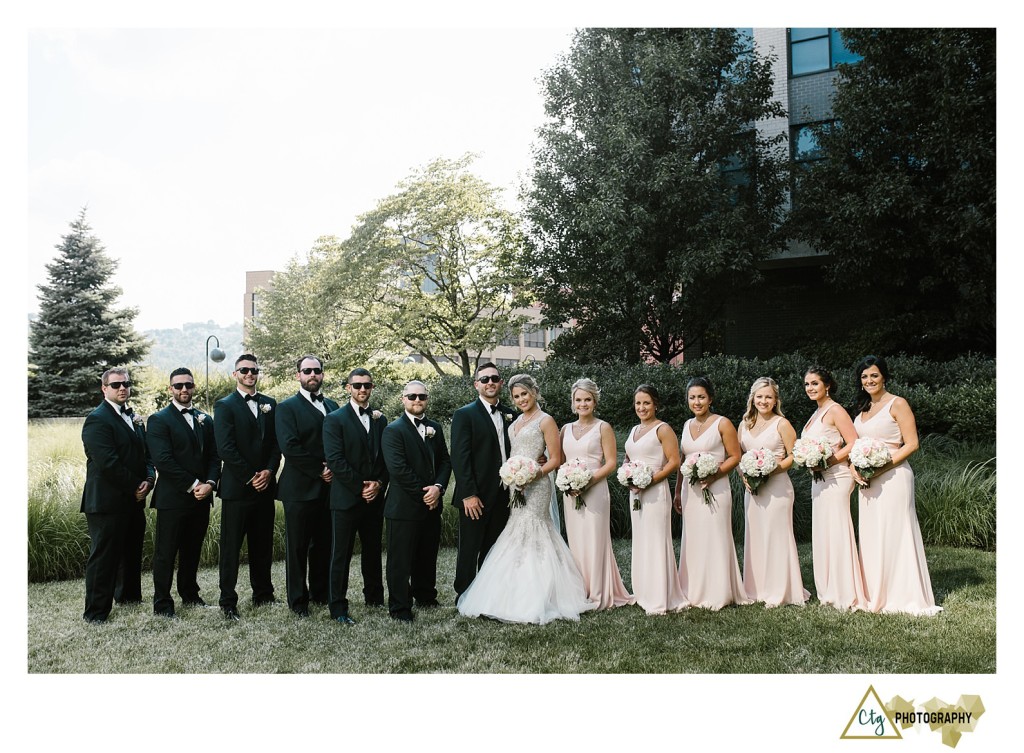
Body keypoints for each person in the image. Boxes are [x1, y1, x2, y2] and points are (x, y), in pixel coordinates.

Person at [458, 374, 595, 623]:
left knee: (536, 530)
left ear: (535, 392)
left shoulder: (546, 421)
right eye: (516, 396)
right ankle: (509, 593)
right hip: (515, 485)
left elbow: (554, 458)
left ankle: (543, 593)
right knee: (515, 531)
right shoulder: (513, 423)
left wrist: (533, 474)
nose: (521, 399)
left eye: (525, 394)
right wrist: (515, 476)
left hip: (538, 485)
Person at [850, 355, 941, 616]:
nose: (869, 380)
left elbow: (911, 444)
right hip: (868, 479)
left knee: (896, 532)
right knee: (872, 534)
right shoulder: (862, 409)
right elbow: (856, 445)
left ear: (884, 377)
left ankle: (904, 595)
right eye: (865, 376)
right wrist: (856, 468)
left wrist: (881, 467)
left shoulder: (898, 404)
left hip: (893, 476)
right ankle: (876, 593)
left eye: (874, 375)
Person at [80, 368, 154, 623]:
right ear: (104, 389)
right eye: (116, 385)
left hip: (134, 498)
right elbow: (107, 462)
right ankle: (96, 612)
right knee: (104, 556)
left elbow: (147, 455)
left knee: (132, 549)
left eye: (126, 384)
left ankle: (129, 596)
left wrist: (149, 480)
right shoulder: (97, 419)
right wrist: (136, 484)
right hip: (106, 501)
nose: (122, 388)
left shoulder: (134, 418)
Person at [147, 368, 221, 617]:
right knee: (166, 552)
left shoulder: (204, 419)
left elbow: (214, 456)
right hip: (173, 498)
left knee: (192, 550)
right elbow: (163, 460)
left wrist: (210, 483)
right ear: (171, 389)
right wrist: (194, 485)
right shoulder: (158, 420)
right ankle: (162, 603)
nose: (184, 390)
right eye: (178, 386)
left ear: (194, 387)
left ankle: (190, 594)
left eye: (188, 385)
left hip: (202, 497)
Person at [214, 354, 280, 621]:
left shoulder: (270, 404)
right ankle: (228, 601)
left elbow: (277, 444)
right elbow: (225, 448)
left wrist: (269, 471)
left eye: (253, 370)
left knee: (262, 544)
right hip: (237, 488)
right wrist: (251, 475)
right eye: (244, 370)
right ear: (235, 374)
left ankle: (263, 593)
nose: (250, 374)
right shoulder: (224, 405)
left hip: (265, 487)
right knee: (231, 547)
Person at [673, 376, 749, 610]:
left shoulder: (722, 423)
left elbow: (735, 456)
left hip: (716, 487)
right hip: (691, 490)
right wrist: (677, 492)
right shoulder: (686, 425)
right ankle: (693, 589)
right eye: (692, 397)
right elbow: (682, 461)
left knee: (715, 536)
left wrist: (714, 474)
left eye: (701, 397)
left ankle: (718, 591)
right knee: (694, 538)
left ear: (710, 398)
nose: (697, 402)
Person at [559, 378, 634, 610]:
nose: (583, 404)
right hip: (570, 491)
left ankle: (600, 592)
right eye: (578, 400)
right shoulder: (564, 429)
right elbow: (561, 462)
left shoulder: (603, 427)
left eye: (587, 399)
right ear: (573, 402)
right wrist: (568, 482)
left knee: (594, 539)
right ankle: (579, 589)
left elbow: (611, 463)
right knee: (576, 541)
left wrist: (588, 481)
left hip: (595, 489)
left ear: (595, 401)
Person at [381, 381, 452, 622]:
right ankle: (400, 607)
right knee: (400, 560)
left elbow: (445, 461)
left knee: (427, 554)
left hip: (432, 504)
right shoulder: (393, 430)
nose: (417, 400)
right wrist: (426, 494)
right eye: (412, 396)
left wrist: (439, 488)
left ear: (427, 399)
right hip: (403, 506)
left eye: (421, 396)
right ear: (403, 399)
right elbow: (398, 469)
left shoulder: (435, 428)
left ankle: (426, 596)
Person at [322, 368, 388, 625]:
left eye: (367, 385)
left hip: (375, 498)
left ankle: (374, 598)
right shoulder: (334, 419)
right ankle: (338, 607)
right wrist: (360, 486)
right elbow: (335, 460)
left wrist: (379, 483)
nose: (362, 390)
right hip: (346, 499)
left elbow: (385, 458)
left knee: (373, 551)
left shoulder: (381, 419)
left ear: (372, 388)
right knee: (341, 554)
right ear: (348, 388)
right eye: (357, 385)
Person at [275, 355, 340, 617]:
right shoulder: (287, 407)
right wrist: (319, 470)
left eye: (317, 371)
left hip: (331, 488)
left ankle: (321, 593)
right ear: (298, 375)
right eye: (307, 371)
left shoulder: (334, 405)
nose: (312, 375)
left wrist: (335, 469)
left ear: (323, 374)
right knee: (298, 546)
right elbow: (290, 447)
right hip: (299, 488)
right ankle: (298, 600)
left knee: (325, 543)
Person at [737, 377, 809, 607]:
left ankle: (780, 590)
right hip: (753, 489)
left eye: (768, 397)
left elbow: (795, 456)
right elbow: (738, 457)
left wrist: (771, 468)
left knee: (777, 535)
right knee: (756, 535)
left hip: (777, 487)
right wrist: (745, 476)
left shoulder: (782, 424)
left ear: (775, 399)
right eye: (759, 396)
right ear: (752, 398)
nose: (763, 401)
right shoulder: (744, 424)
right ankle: (757, 588)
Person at [801, 366, 866, 611]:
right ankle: (827, 589)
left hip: (836, 477)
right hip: (818, 479)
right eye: (807, 384)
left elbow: (853, 443)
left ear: (827, 385)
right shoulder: (815, 413)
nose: (810, 388)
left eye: (815, 383)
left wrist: (828, 461)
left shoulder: (835, 409)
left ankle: (845, 590)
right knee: (823, 532)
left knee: (837, 529)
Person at [449, 362, 516, 599]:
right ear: (476, 384)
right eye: (485, 379)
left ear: (501, 382)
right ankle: (464, 594)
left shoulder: (513, 414)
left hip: (505, 493)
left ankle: (489, 594)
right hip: (475, 495)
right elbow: (460, 456)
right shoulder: (464, 415)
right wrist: (468, 494)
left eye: (494, 378)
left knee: (494, 547)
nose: (490, 383)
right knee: (470, 548)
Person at [624, 384, 687, 615]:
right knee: (641, 540)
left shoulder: (663, 429)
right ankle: (643, 592)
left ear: (656, 404)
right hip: (636, 492)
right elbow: (630, 457)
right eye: (638, 403)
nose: (642, 407)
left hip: (655, 491)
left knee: (656, 541)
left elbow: (673, 462)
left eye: (646, 403)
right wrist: (627, 473)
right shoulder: (633, 430)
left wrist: (649, 481)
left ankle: (661, 596)